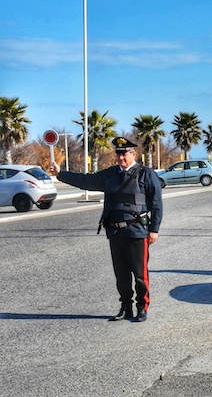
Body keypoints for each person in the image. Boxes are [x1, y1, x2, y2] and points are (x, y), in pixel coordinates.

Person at [50, 137, 163, 322]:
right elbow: (86, 181)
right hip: (116, 232)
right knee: (121, 275)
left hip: (137, 232)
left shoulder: (146, 174)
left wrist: (154, 229)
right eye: (118, 154)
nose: (120, 158)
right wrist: (61, 174)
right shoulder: (110, 174)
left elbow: (157, 203)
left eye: (124, 154)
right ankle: (125, 307)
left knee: (140, 275)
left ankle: (142, 307)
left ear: (133, 154)